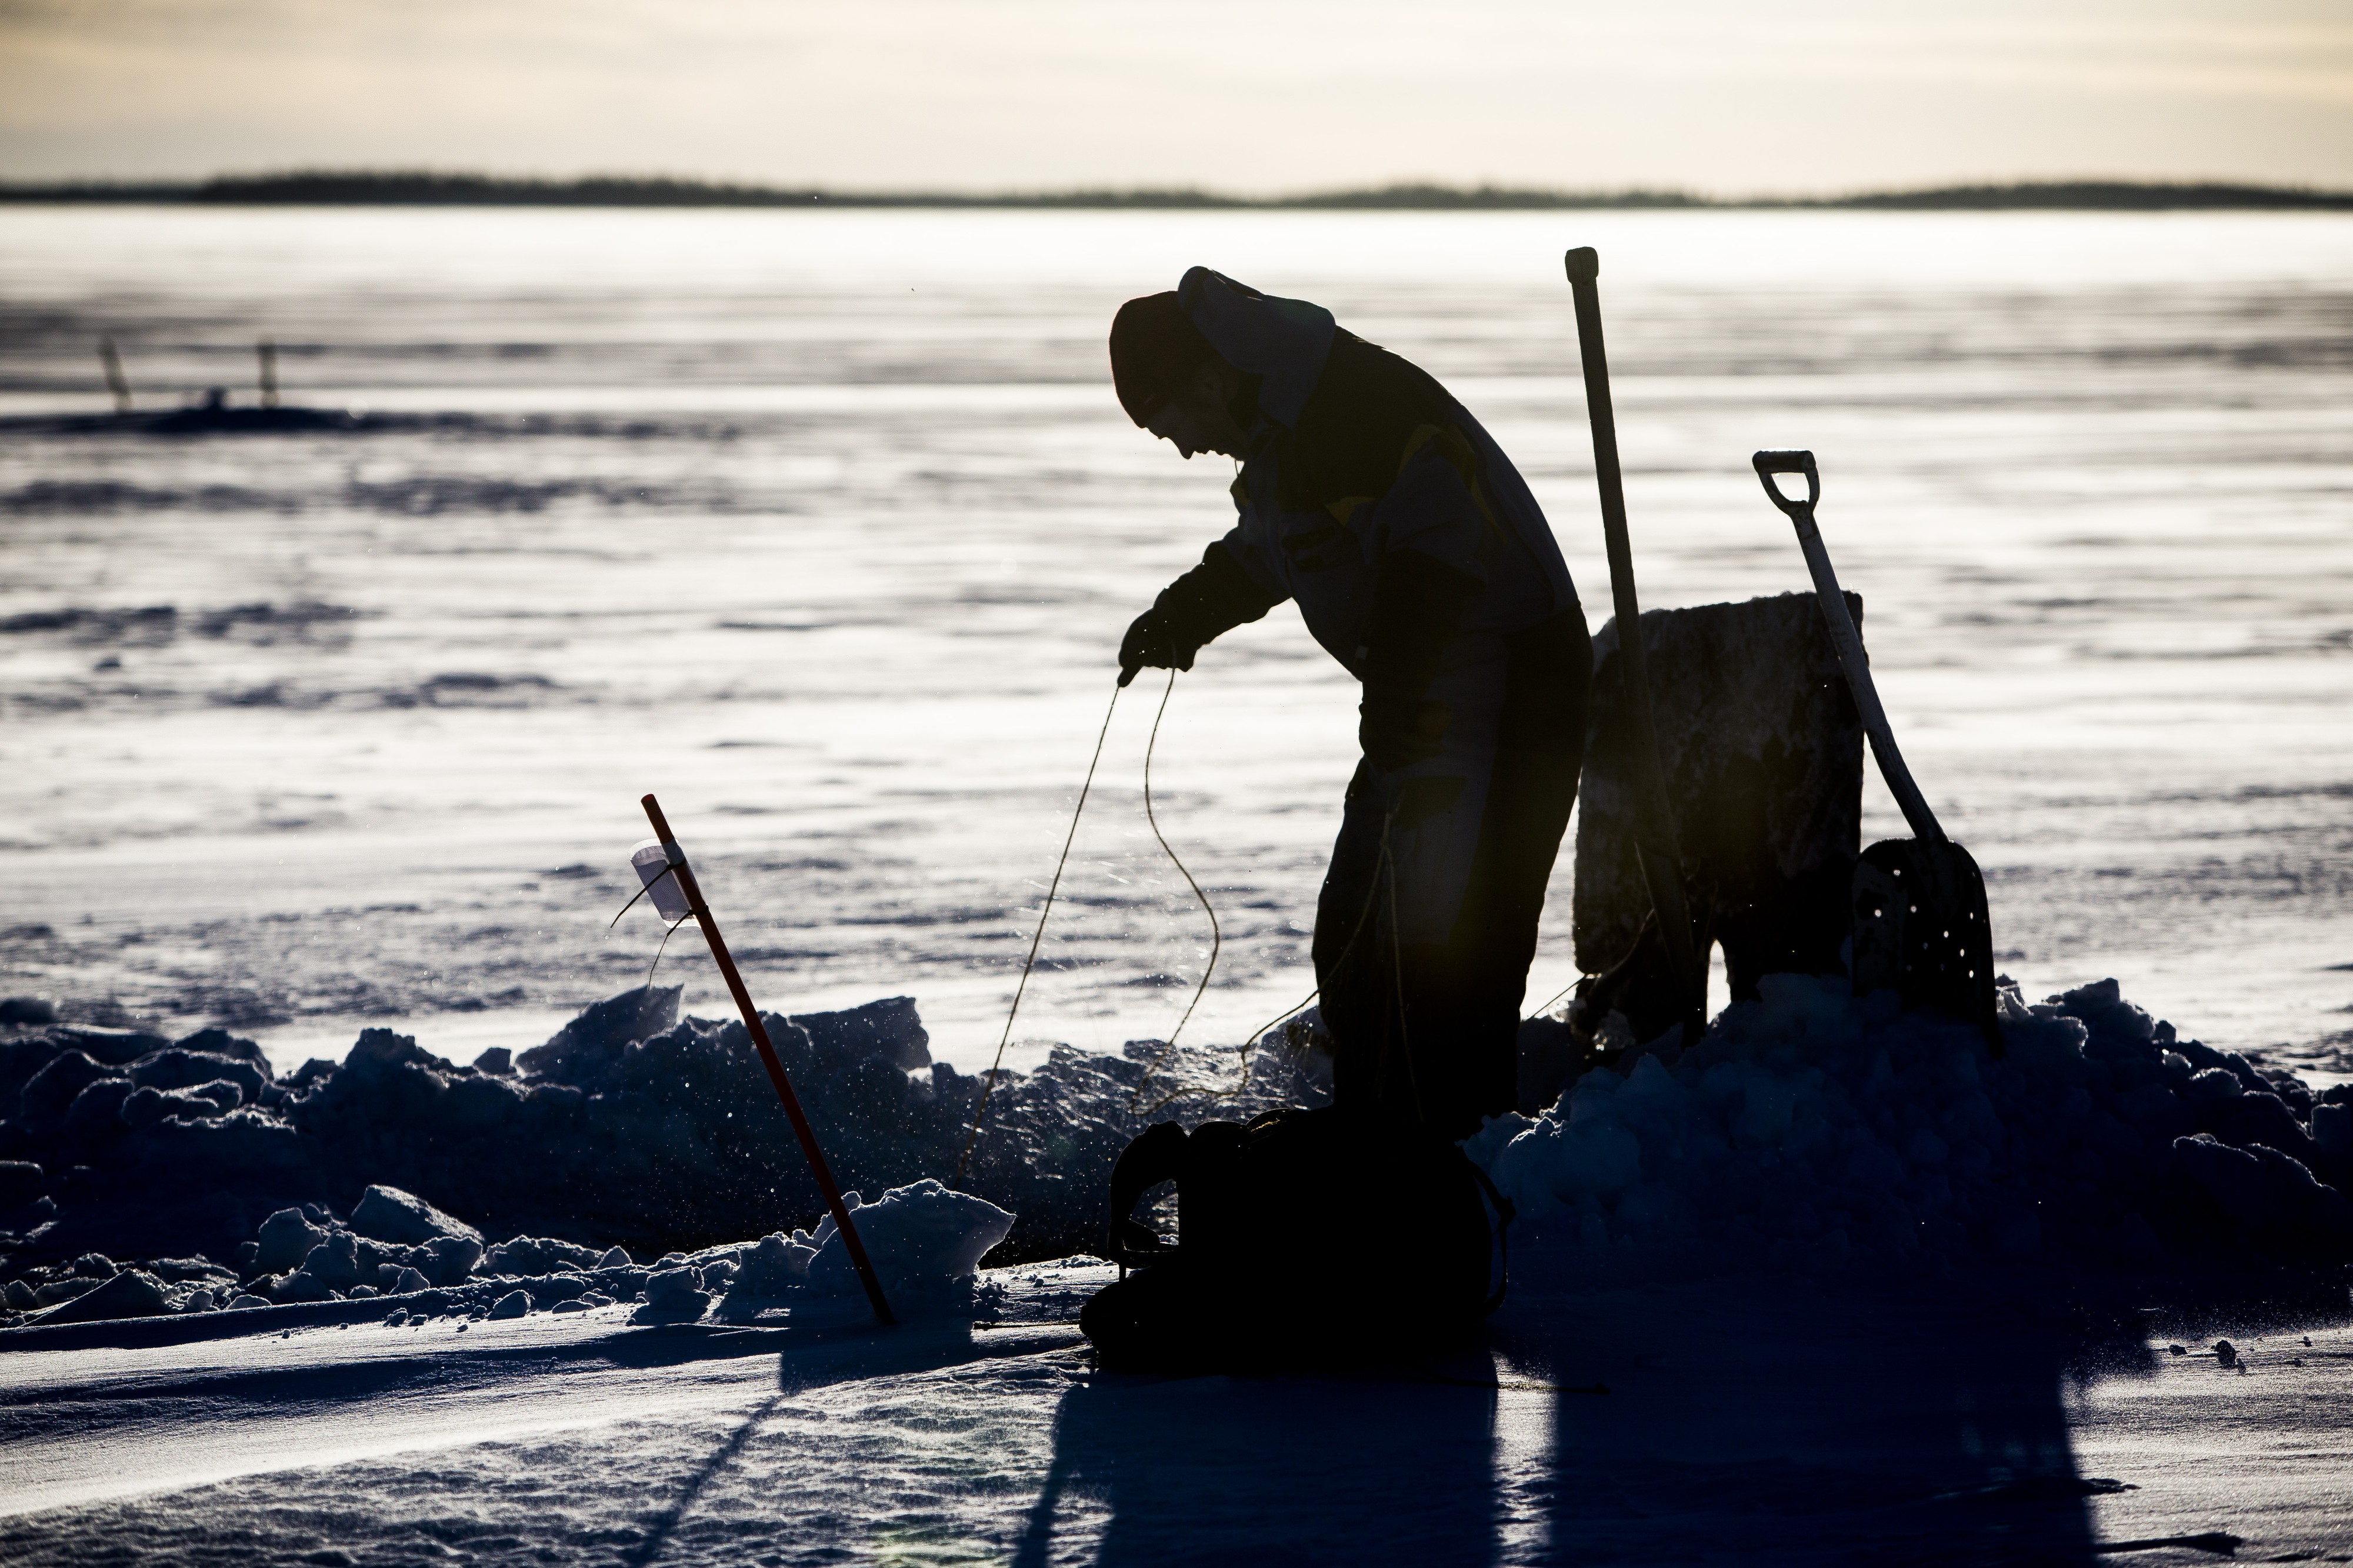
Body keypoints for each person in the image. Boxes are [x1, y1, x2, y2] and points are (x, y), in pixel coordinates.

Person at [1110, 268, 1591, 1140]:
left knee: (1451, 941)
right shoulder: (1283, 431)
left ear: (1207, 381)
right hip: (1432, 694)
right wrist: (1184, 614)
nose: (1179, 447)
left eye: (1167, 421)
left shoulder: (1349, 409)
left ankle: (1461, 1155)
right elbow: (1274, 549)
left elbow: (1438, 551)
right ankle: (1381, 1135)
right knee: (1355, 931)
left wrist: (1401, 692)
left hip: (1516, 687)